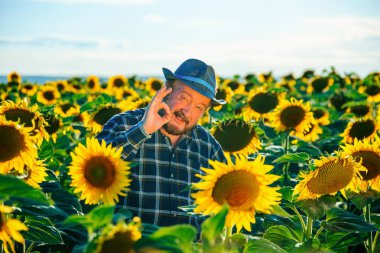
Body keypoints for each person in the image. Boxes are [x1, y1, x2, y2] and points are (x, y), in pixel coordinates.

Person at [96, 58, 227, 230]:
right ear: (167, 90)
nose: (187, 112)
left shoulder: (209, 147)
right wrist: (143, 130)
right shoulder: (124, 124)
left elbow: (221, 212)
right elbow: (94, 169)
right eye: (185, 98)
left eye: (199, 107)